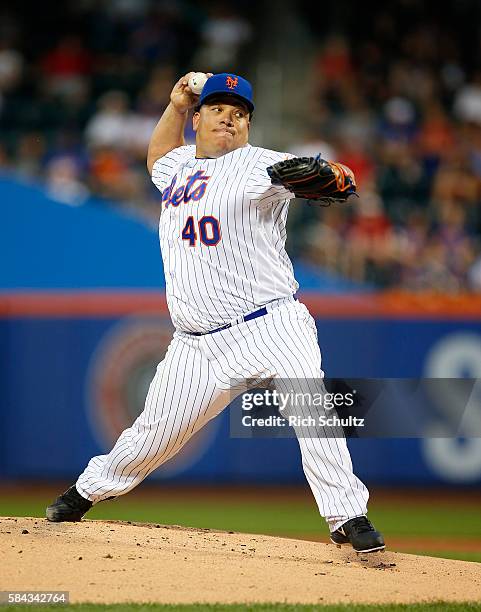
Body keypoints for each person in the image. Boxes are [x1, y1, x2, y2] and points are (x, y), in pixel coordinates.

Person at [46, 72, 385, 554]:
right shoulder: (179, 166)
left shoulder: (261, 166)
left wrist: (335, 175)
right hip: (197, 344)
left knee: (312, 409)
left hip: (271, 324)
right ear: (200, 118)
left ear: (248, 126)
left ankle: (348, 515)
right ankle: (85, 492)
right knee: (154, 435)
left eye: (240, 113)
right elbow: (157, 157)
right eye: (220, 109)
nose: (230, 117)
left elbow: (336, 176)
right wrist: (176, 104)